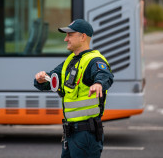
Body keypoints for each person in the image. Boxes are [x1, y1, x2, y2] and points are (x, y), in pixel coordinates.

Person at [34, 19, 114, 158]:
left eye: (70, 35)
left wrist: (99, 83)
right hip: (71, 133)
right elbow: (52, 80)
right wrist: (41, 79)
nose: (66, 39)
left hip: (86, 134)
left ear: (83, 37)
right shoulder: (70, 61)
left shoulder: (94, 60)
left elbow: (104, 74)